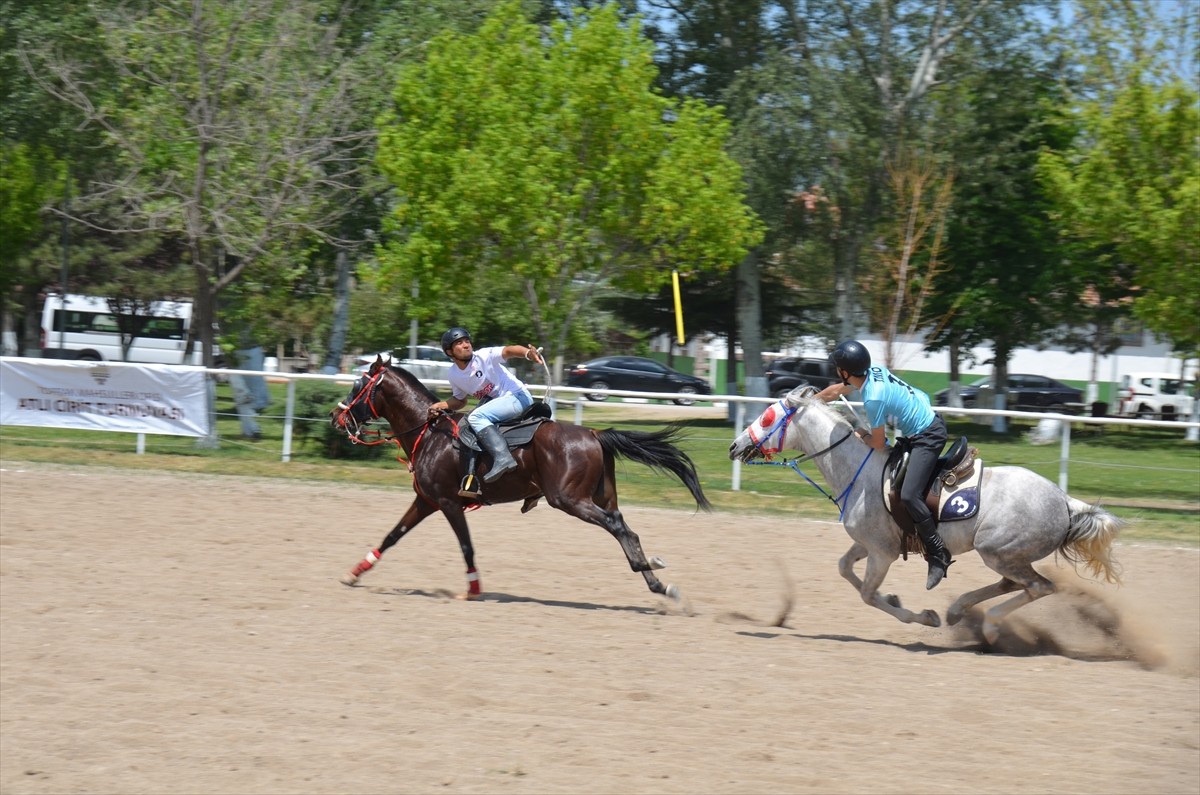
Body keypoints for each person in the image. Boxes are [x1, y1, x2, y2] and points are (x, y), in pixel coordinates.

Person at [814, 339, 954, 589]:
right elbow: (837, 391)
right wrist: (810, 404)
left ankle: (938, 553)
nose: (837, 372)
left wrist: (861, 434)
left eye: (838, 368)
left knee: (910, 495)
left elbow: (878, 443)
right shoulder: (872, 371)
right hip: (921, 427)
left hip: (927, 436)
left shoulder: (873, 398)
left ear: (845, 371)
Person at [427, 326, 543, 493]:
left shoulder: (483, 355)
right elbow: (460, 400)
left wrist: (527, 354)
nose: (466, 345)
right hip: (501, 404)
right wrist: (442, 405)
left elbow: (509, 350)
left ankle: (503, 458)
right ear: (449, 352)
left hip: (517, 397)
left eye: (467, 341)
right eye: (459, 343)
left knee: (475, 417)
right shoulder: (453, 374)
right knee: (468, 424)